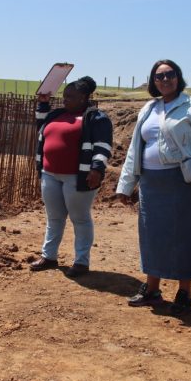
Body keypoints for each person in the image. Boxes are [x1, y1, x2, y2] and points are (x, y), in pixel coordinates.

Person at [116, 59, 191, 313]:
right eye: (159, 76)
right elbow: (135, 149)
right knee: (152, 234)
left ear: (178, 77)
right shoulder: (148, 109)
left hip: (183, 181)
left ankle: (184, 293)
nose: (164, 80)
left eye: (169, 74)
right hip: (151, 182)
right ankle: (152, 289)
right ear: (153, 81)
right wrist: (126, 185)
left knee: (185, 235)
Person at [30, 76, 113, 277]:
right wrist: (43, 103)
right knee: (54, 217)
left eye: (70, 96)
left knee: (80, 218)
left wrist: (97, 169)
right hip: (50, 174)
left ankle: (81, 262)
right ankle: (49, 256)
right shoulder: (57, 114)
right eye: (64, 95)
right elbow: (40, 125)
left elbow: (103, 146)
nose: (65, 99)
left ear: (83, 98)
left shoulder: (96, 118)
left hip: (77, 177)